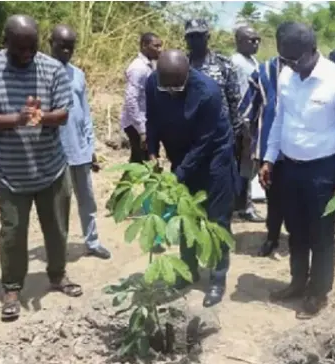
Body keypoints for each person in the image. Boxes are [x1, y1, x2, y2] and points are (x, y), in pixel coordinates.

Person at [0, 14, 82, 322]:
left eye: (31, 47)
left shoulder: (52, 68)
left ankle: (58, 276)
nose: (26, 55)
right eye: (19, 48)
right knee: (13, 233)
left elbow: (62, 114)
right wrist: (16, 119)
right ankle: (12, 289)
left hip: (51, 168)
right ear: (5, 42)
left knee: (57, 229)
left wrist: (39, 117)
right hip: (8, 171)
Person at [259, 22, 335, 319]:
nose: (291, 66)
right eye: (285, 60)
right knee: (295, 230)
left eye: (295, 60)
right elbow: (280, 120)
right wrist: (269, 158)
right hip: (290, 167)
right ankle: (296, 282)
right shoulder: (286, 77)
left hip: (324, 170)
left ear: (311, 51)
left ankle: (318, 293)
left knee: (321, 234)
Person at [145, 49, 238, 308]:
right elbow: (151, 119)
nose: (173, 91)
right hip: (180, 153)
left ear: (188, 74)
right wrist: (152, 151)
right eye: (168, 87)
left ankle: (217, 278)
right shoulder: (153, 83)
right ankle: (188, 270)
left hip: (213, 158)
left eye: (178, 86)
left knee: (216, 220)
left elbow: (203, 143)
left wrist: (177, 176)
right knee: (185, 218)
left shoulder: (208, 92)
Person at [185, 19, 260, 223]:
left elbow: (234, 100)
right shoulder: (181, 64)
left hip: (222, 138)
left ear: (208, 37)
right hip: (190, 139)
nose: (195, 40)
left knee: (221, 184)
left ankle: (220, 220)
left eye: (199, 36)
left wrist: (238, 133)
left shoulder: (223, 64)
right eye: (190, 36)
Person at [49, 24, 111, 260]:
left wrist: (90, 145)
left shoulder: (78, 74)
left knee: (87, 199)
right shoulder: (41, 72)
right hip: (55, 151)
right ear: (50, 43)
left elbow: (85, 113)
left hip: (80, 149)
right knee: (59, 205)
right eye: (61, 46)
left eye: (70, 47)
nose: (66, 51)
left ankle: (92, 242)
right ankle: (58, 248)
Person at [239, 56, 284, 257]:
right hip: (269, 144)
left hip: (305, 146)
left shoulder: (314, 70)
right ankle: (272, 237)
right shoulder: (264, 71)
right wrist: (247, 140)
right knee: (273, 195)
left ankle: (300, 238)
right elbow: (248, 110)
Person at [230, 26, 264, 222]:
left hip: (252, 119)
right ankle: (244, 206)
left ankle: (241, 203)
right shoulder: (236, 63)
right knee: (245, 164)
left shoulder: (252, 60)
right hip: (243, 121)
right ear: (239, 41)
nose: (256, 43)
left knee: (248, 165)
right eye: (252, 40)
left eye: (257, 39)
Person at [120, 32, 162, 164]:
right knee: (147, 162)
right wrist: (142, 131)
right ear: (144, 46)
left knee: (139, 163)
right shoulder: (138, 68)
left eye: (160, 46)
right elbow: (131, 99)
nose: (160, 50)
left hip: (144, 121)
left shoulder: (150, 66)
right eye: (156, 46)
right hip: (136, 124)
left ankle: (125, 185)